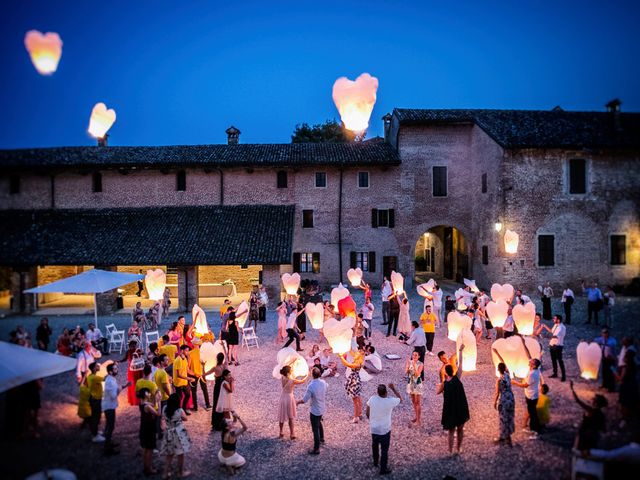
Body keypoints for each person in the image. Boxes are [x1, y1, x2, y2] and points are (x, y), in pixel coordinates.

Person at [437, 344, 469, 455]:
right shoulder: (443, 372)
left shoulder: (452, 366)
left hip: (456, 401)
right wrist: (460, 350)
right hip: (456, 401)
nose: (445, 358)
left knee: (455, 429)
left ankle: (453, 450)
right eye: (443, 358)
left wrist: (460, 350)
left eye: (445, 356)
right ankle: (454, 450)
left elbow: (458, 361)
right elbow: (460, 364)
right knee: (454, 429)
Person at [366, 383, 402, 475]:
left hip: (374, 428)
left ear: (377, 392)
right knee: (384, 449)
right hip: (385, 429)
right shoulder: (390, 401)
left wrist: (371, 420)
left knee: (374, 445)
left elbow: (367, 412)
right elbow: (400, 400)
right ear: (386, 392)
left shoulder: (372, 399)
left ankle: (375, 462)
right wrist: (393, 388)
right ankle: (383, 468)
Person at [297, 367, 328, 455]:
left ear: (312, 375)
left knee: (315, 429)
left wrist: (297, 402)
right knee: (319, 422)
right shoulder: (323, 382)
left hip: (314, 409)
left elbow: (305, 400)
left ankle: (316, 448)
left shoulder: (311, 386)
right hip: (322, 407)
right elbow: (327, 386)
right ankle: (322, 438)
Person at [161, 392, 192, 479]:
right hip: (179, 433)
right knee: (180, 453)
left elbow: (163, 418)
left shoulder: (164, 408)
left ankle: (165, 473)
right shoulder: (180, 411)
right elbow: (185, 418)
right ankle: (180, 472)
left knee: (169, 454)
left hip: (169, 432)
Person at [570, 380, 607, 451]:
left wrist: (572, 389)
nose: (592, 399)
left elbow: (578, 401)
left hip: (585, 434)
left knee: (581, 451)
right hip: (593, 435)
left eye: (594, 399)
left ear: (596, 403)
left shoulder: (591, 410)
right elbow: (603, 428)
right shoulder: (601, 414)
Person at [102, 362, 130, 455]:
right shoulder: (110, 382)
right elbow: (114, 396)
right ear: (110, 372)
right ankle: (107, 448)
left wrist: (125, 386)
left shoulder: (111, 379)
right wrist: (119, 389)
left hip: (109, 405)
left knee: (109, 425)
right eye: (114, 369)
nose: (117, 370)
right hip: (109, 407)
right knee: (110, 426)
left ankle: (109, 442)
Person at [512, 358, 542, 438]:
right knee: (531, 411)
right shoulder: (535, 369)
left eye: (531, 362)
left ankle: (535, 430)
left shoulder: (532, 374)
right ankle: (533, 426)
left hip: (531, 396)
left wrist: (515, 383)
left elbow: (525, 385)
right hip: (533, 395)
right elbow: (530, 359)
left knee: (533, 414)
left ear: (534, 365)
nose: (530, 361)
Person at [278, 365, 308, 439]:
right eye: (290, 371)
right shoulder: (292, 380)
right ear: (288, 373)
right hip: (289, 397)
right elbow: (303, 381)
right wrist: (308, 374)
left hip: (283, 397)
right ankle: (292, 433)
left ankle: (281, 432)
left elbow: (285, 367)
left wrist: (292, 362)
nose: (292, 371)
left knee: (282, 415)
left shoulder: (282, 377)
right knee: (290, 416)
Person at [339, 348, 365, 423]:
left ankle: (356, 417)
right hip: (355, 379)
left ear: (359, 355)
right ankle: (359, 413)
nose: (355, 354)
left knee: (355, 400)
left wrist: (341, 357)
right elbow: (351, 352)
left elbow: (348, 364)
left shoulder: (357, 363)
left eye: (357, 353)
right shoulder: (358, 359)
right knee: (358, 398)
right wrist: (347, 346)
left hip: (354, 381)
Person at [138, 388, 159, 476]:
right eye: (148, 393)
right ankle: (149, 469)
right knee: (149, 449)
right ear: (145, 395)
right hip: (149, 429)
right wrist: (159, 402)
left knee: (146, 449)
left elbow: (153, 404)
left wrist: (155, 397)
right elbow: (157, 413)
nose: (149, 394)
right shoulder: (147, 406)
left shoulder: (142, 403)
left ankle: (146, 467)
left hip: (144, 427)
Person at [205, 352, 228, 430]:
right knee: (222, 403)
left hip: (217, 388)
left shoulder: (215, 368)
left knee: (216, 403)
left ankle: (216, 423)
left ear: (217, 359)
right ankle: (222, 422)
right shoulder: (224, 366)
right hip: (223, 387)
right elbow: (227, 358)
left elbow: (205, 374)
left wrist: (202, 366)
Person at [493, 362, 515, 446]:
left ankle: (505, 438)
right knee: (510, 416)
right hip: (511, 397)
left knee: (503, 418)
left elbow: (497, 393)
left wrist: (495, 402)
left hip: (504, 399)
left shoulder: (499, 380)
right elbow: (505, 363)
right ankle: (507, 436)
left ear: (498, 369)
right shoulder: (508, 374)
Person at [540, 314, 567, 381]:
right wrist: (545, 326)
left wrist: (545, 336)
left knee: (560, 361)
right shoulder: (556, 325)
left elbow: (555, 336)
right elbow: (552, 331)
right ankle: (555, 373)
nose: (553, 319)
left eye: (554, 318)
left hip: (557, 346)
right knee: (553, 360)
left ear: (558, 320)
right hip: (552, 345)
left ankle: (563, 376)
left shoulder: (561, 327)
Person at [615, 349, 638, 425]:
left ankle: (625, 418)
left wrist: (614, 372)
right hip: (633, 385)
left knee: (624, 402)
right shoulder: (634, 365)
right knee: (630, 401)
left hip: (626, 386)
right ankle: (630, 417)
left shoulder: (625, 367)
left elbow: (620, 378)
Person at [87, 361, 106, 443]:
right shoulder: (95, 378)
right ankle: (95, 435)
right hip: (96, 399)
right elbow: (106, 378)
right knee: (96, 417)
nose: (98, 366)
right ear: (94, 368)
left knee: (95, 416)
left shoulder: (90, 376)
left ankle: (95, 432)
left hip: (93, 398)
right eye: (97, 366)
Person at [154, 354, 172, 438]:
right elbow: (165, 387)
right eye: (166, 360)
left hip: (159, 396)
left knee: (159, 415)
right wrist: (170, 395)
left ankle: (158, 431)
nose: (167, 361)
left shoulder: (158, 371)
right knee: (166, 416)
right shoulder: (163, 373)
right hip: (164, 397)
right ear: (161, 362)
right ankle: (165, 433)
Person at [405, 351, 424, 426]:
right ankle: (416, 417)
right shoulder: (410, 362)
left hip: (417, 383)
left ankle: (419, 420)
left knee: (417, 402)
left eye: (416, 355)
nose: (414, 356)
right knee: (413, 401)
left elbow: (417, 374)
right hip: (411, 382)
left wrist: (413, 365)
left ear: (419, 356)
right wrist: (408, 365)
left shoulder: (421, 364)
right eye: (413, 355)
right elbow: (406, 372)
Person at [123, 340, 144, 406]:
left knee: (136, 384)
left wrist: (139, 353)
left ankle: (138, 398)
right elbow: (124, 359)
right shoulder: (129, 352)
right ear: (130, 346)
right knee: (133, 384)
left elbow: (143, 353)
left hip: (137, 370)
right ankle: (134, 400)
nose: (133, 347)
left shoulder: (137, 350)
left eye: (134, 345)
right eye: (132, 346)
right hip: (133, 371)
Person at [173, 345, 192, 414]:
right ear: (182, 350)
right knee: (179, 398)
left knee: (188, 395)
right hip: (178, 383)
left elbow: (187, 369)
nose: (188, 352)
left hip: (184, 381)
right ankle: (178, 411)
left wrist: (196, 374)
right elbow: (178, 375)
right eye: (186, 350)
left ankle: (183, 409)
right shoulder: (178, 360)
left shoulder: (185, 359)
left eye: (188, 350)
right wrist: (189, 378)